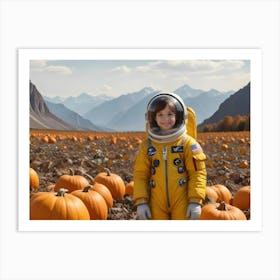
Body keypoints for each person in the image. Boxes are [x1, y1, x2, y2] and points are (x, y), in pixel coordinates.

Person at [133, 92, 207, 220]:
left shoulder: (187, 143)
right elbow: (141, 175)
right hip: (156, 201)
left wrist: (195, 201)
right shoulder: (147, 146)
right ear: (153, 118)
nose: (165, 119)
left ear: (178, 116)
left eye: (170, 114)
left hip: (182, 200)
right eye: (160, 114)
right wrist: (141, 202)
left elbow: (197, 173)